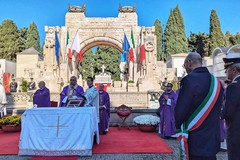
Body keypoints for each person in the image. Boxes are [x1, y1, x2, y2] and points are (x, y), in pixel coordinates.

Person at [175, 52, 224, 160]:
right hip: (212, 138)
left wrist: (179, 124)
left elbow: (180, 111)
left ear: (188, 63)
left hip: (195, 138)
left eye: (184, 66)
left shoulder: (189, 80)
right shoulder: (217, 82)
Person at [221, 53, 240, 159]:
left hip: (236, 132)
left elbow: (228, 112)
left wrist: (219, 114)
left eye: (227, 69)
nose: (225, 72)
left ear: (233, 69)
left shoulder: (233, 87)